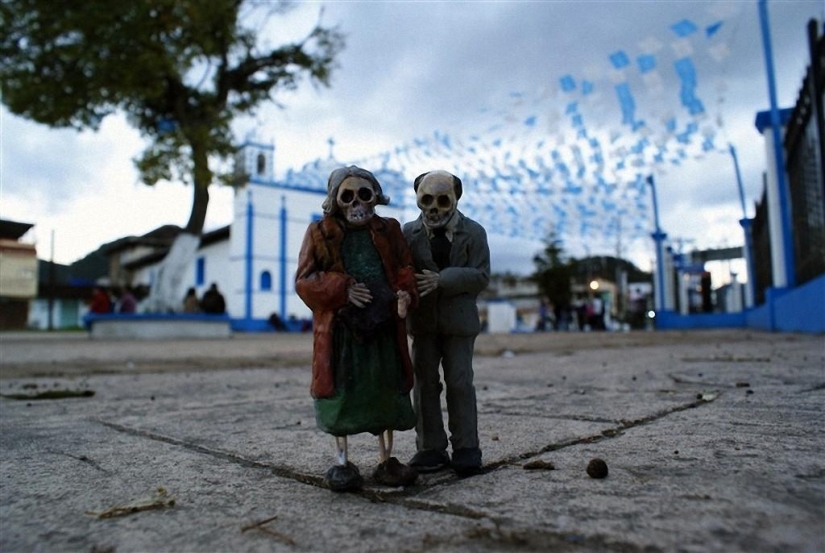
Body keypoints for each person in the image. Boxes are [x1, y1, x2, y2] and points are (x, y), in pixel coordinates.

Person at [295, 165, 419, 492]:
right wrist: (341, 289)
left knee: (386, 392)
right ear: (335, 200)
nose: (357, 204)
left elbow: (405, 268)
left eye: (364, 195)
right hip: (342, 334)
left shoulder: (390, 229)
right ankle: (342, 463)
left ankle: (386, 461)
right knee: (342, 396)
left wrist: (405, 294)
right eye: (346, 196)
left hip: (383, 328)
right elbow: (304, 281)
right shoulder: (319, 233)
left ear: (376, 196)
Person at [403, 170, 490, 477]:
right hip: (423, 323)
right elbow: (401, 272)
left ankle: (467, 448)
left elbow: (481, 275)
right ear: (417, 200)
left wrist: (443, 280)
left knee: (459, 383)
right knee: (424, 384)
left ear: (456, 199)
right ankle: (429, 448)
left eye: (443, 200)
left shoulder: (474, 233)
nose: (434, 208)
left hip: (459, 324)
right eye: (426, 200)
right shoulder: (407, 234)